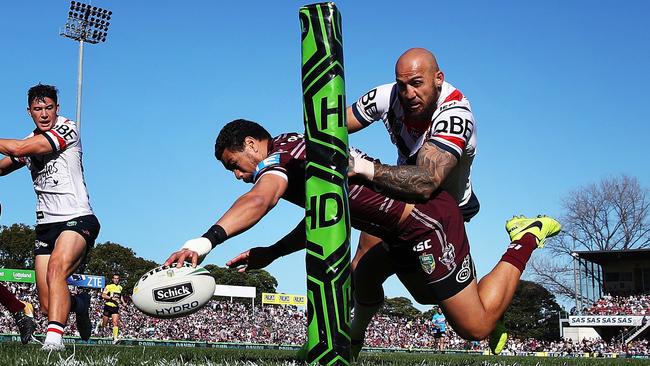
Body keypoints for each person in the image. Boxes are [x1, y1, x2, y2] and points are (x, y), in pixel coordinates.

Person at [164, 119, 560, 359]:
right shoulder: (294, 152)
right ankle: (352, 340)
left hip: (424, 221)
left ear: (251, 145)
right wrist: (272, 251)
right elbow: (324, 219)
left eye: (234, 165)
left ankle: (525, 237)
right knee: (367, 281)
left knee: (473, 326)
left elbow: (259, 199)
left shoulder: (281, 156)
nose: (237, 175)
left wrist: (203, 242)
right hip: (386, 229)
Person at [0, 84, 101, 351]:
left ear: (58, 108)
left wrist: (18, 148)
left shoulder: (67, 128)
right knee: (46, 305)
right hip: (46, 226)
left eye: (49, 108)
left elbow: (21, 148)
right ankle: (80, 304)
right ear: (29, 111)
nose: (44, 114)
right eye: (38, 109)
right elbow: (2, 167)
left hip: (78, 218)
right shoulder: (31, 141)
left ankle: (54, 341)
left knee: (57, 268)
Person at [96, 274, 126, 344]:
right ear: (112, 279)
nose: (116, 280)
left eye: (117, 278)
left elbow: (120, 296)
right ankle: (100, 324)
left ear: (119, 279)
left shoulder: (120, 287)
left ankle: (115, 338)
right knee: (104, 325)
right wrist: (111, 298)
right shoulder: (109, 286)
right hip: (108, 306)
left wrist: (123, 302)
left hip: (115, 307)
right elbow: (103, 295)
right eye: (115, 278)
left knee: (115, 322)